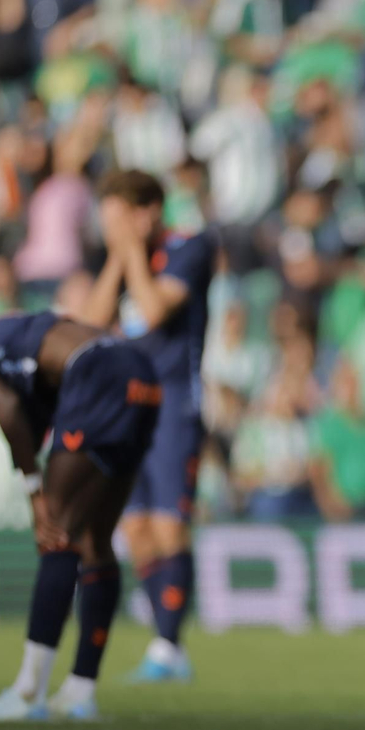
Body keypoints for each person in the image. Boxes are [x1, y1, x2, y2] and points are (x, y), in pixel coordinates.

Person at [0, 313, 161, 721]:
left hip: (95, 370)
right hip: (138, 371)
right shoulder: (7, 363)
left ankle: (27, 693)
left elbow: (6, 405)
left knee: (56, 531)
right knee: (94, 541)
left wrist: (36, 495)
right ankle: (79, 692)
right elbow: (26, 416)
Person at [79, 170, 215, 683]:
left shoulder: (190, 247)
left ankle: (167, 645)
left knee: (168, 524)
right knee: (134, 529)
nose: (108, 228)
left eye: (117, 218)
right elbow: (92, 324)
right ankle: (167, 647)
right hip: (126, 405)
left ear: (148, 212)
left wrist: (132, 252)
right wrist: (118, 255)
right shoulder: (114, 257)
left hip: (174, 400)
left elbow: (155, 309)